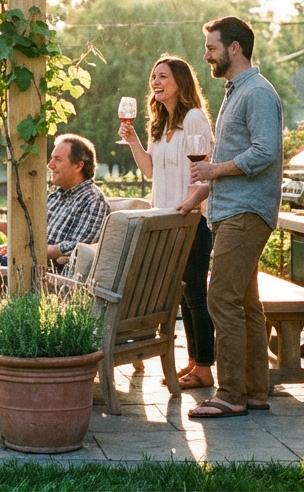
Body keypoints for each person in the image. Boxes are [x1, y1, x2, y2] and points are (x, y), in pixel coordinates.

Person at [185, 17, 283, 419]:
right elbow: (236, 158)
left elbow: (264, 153)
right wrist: (201, 192)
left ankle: (229, 395)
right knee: (245, 303)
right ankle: (255, 390)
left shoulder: (256, 93)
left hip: (245, 213)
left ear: (235, 48)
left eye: (211, 47)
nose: (206, 54)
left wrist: (212, 171)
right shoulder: (236, 91)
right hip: (231, 210)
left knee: (220, 298)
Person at [0, 134, 111, 329]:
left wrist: (26, 250)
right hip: (26, 260)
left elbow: (79, 247)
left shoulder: (93, 201)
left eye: (57, 159)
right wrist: (11, 247)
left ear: (78, 166)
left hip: (46, 272)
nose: (50, 165)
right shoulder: (56, 197)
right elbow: (32, 232)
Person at [120, 55, 217, 390]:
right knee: (181, 295)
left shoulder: (194, 119)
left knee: (195, 296)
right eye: (153, 76)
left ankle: (205, 366)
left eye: (162, 76)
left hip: (189, 219)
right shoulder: (159, 124)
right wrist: (133, 140)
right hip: (164, 220)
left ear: (180, 81)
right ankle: (194, 361)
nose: (155, 82)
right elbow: (149, 171)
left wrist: (190, 207)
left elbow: (204, 172)